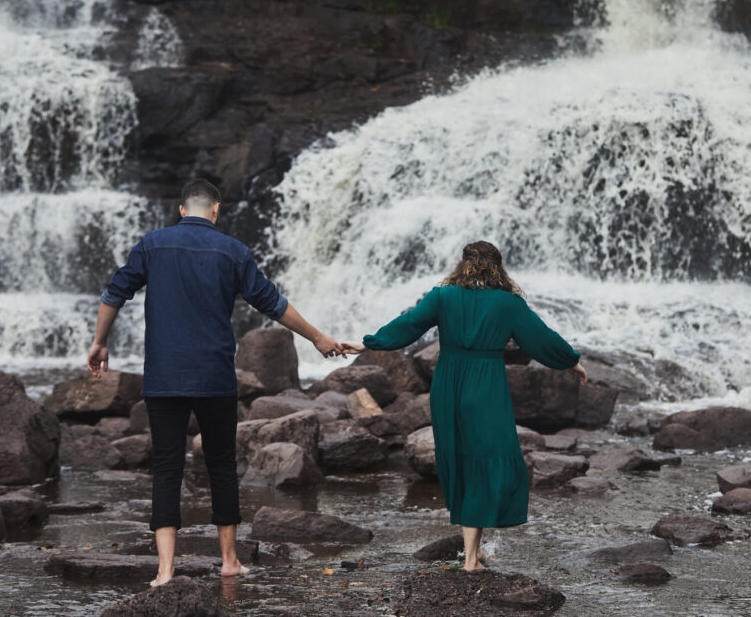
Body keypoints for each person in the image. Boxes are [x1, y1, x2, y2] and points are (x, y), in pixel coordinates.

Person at [87, 178, 343, 586]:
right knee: (222, 466)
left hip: (165, 375)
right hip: (215, 376)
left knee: (168, 467)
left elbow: (113, 295)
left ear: (183, 210)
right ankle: (229, 562)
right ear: (216, 211)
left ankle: (165, 570)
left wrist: (100, 343)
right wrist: (316, 337)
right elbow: (273, 303)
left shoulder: (152, 244)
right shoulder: (233, 251)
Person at [341, 241, 587, 571]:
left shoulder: (442, 296)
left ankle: (474, 551)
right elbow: (540, 337)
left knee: (461, 458)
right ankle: (471, 559)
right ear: (498, 268)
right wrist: (570, 361)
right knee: (487, 459)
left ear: (464, 265)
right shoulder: (508, 303)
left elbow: (409, 324)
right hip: (485, 384)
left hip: (448, 382)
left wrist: (367, 343)